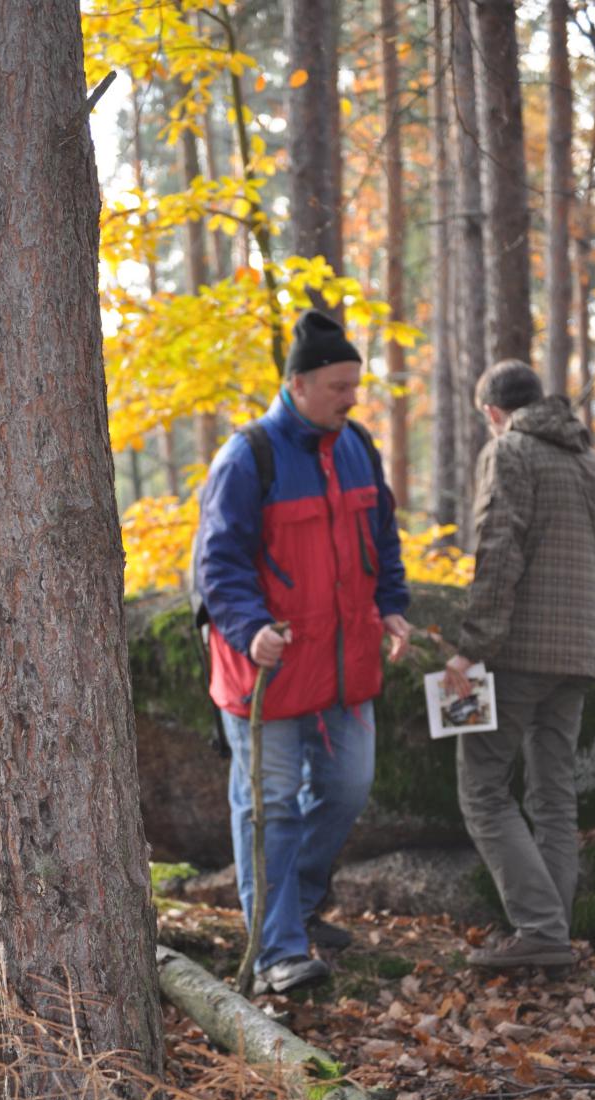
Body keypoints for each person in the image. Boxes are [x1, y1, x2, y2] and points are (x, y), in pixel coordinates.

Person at [195, 309, 411, 994]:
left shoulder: (359, 448)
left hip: (346, 667)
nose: (352, 397)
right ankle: (279, 952)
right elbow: (216, 564)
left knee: (348, 788)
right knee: (272, 809)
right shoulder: (247, 457)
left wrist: (394, 607)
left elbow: (384, 539)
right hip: (269, 668)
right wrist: (248, 626)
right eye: (339, 385)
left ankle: (300, 901)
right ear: (299, 383)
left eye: (355, 384)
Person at [444, 360, 595, 970]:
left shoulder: (511, 453)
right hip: (581, 653)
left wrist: (471, 647)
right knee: (554, 795)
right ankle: (555, 934)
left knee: (482, 790)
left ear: (494, 413)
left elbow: (497, 549)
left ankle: (541, 930)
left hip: (515, 652)